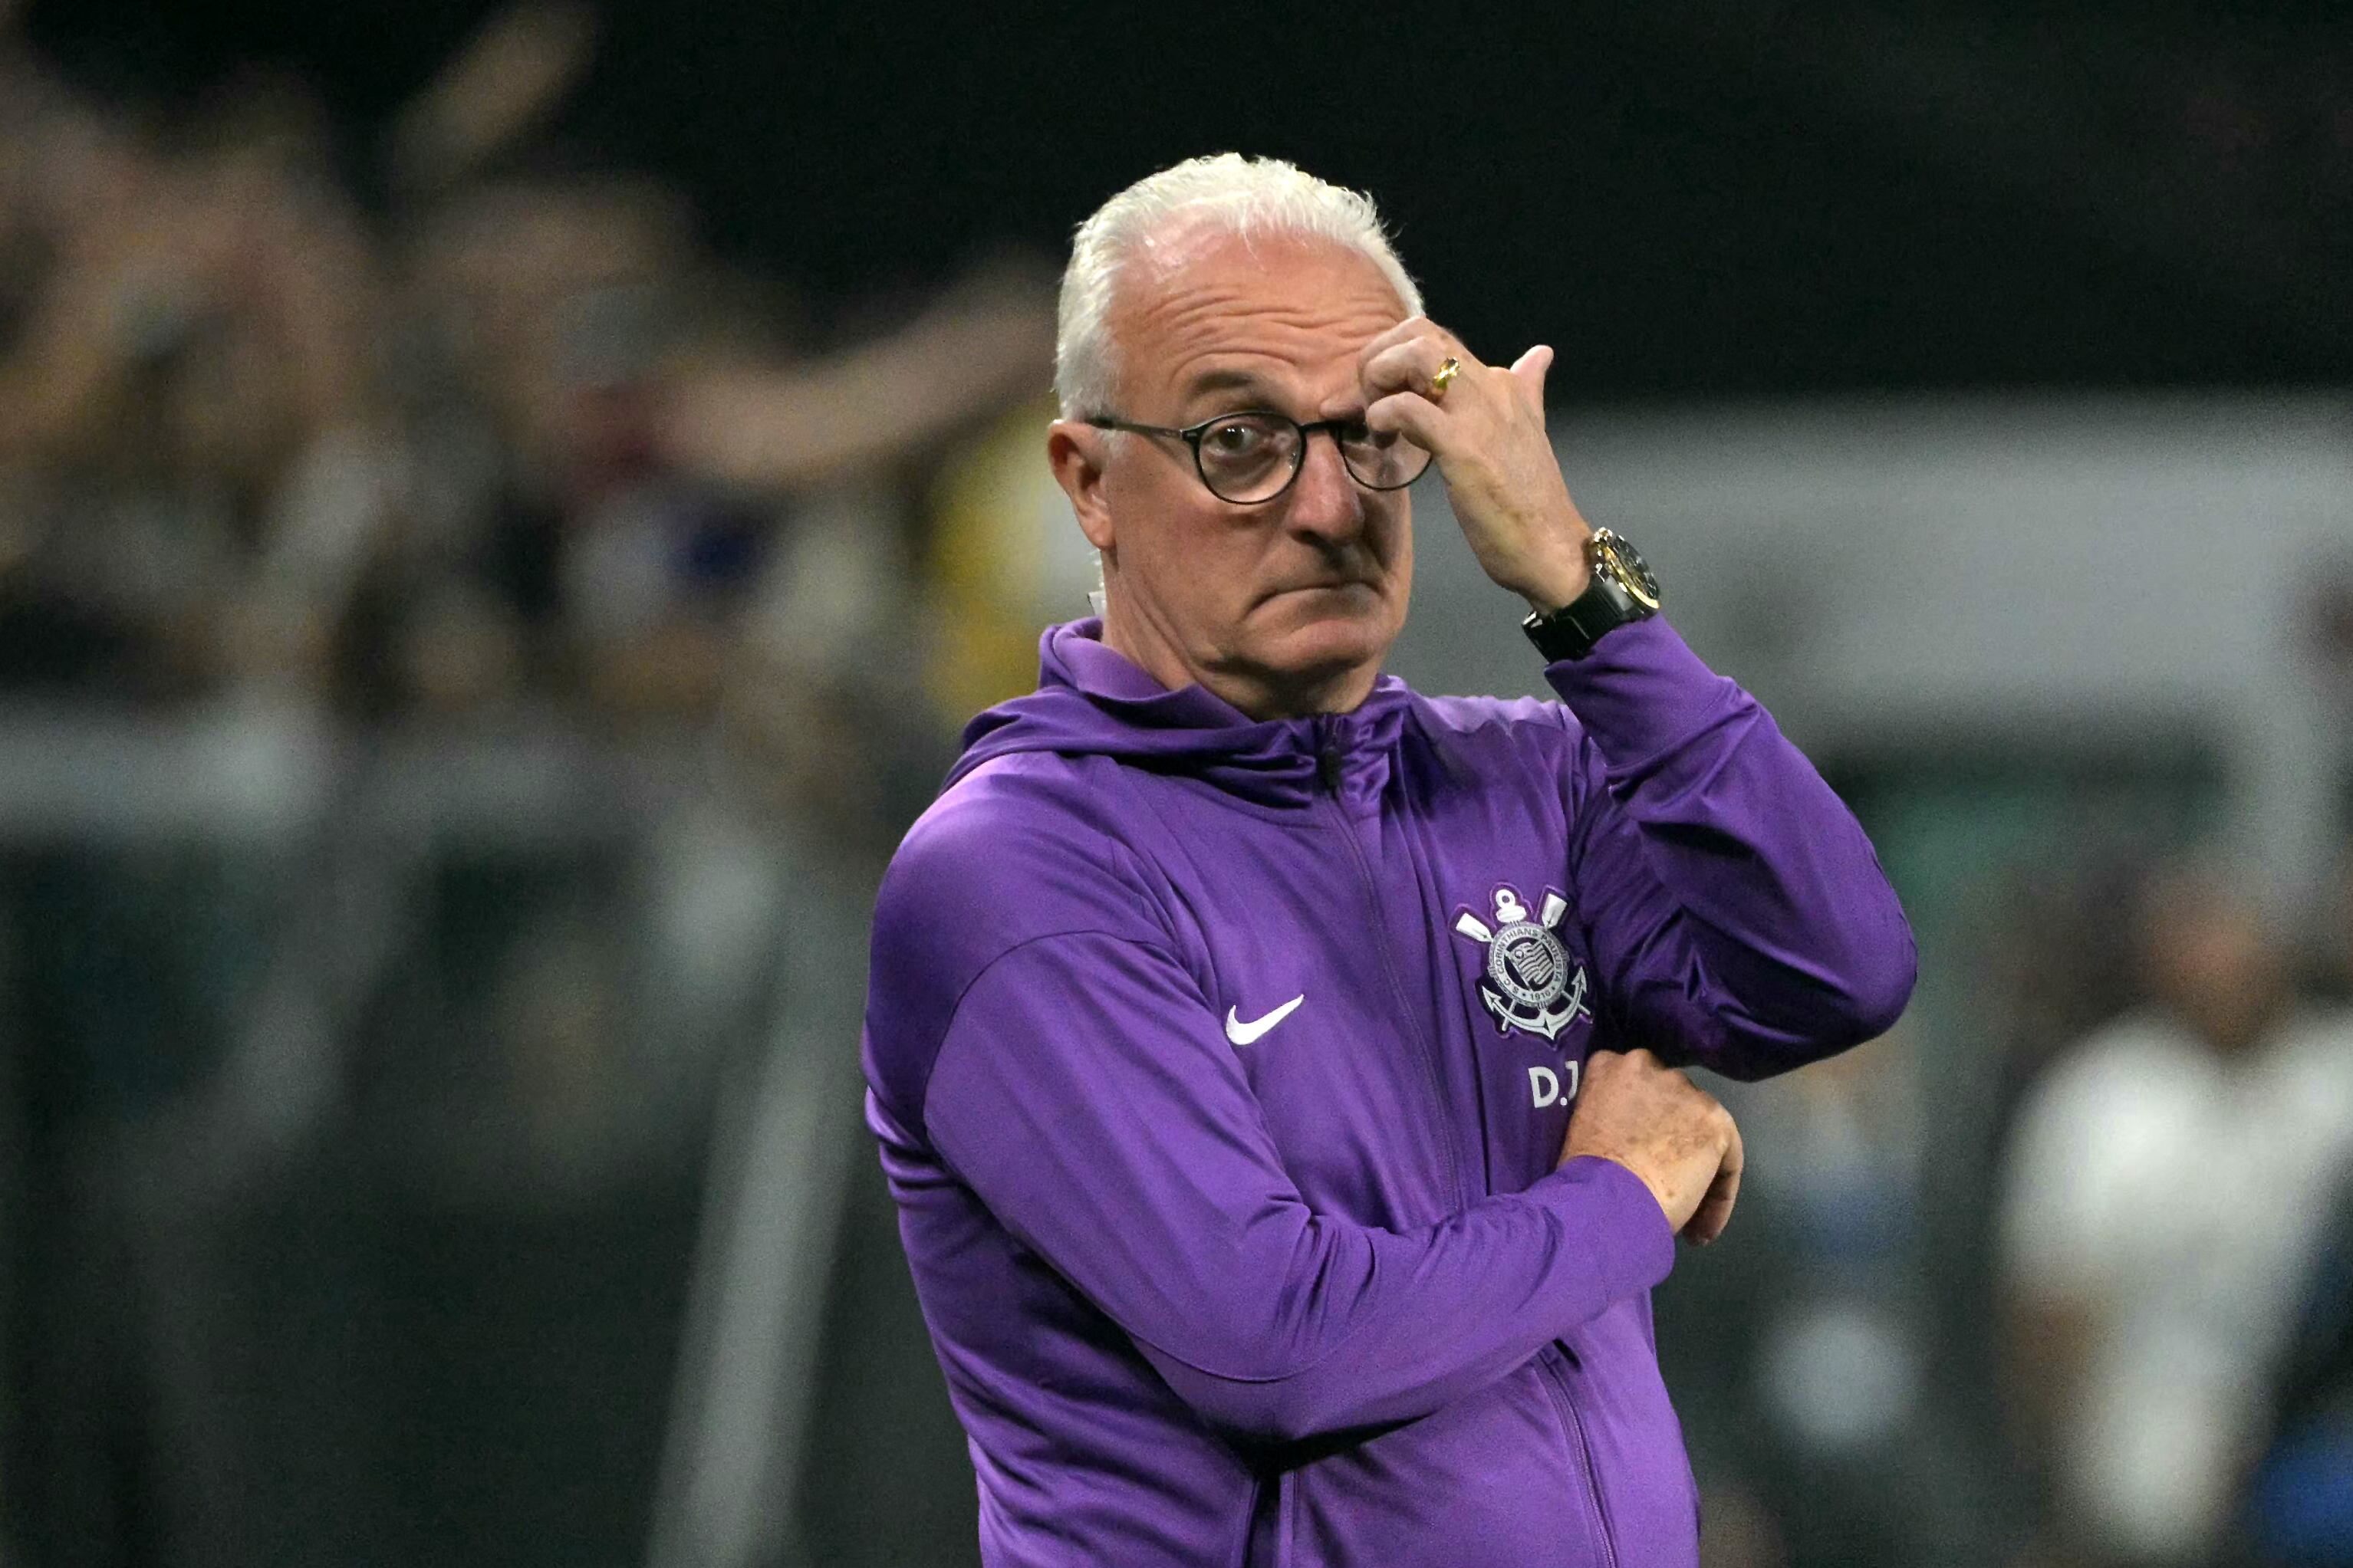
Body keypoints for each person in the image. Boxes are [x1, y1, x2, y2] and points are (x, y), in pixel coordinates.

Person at [860, 153, 1917, 1567]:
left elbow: (1833, 972)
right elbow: (1272, 1343)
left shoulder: (1522, 781)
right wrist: (1614, 1200)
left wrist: (1570, 582)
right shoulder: (1018, 870)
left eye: (1372, 435)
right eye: (1238, 441)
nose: (1328, 505)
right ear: (1087, 479)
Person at [1999, 862, 2353, 1566]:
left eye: (2236, 935)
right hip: (2147, 1466)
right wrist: (2051, 1499)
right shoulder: (2101, 1100)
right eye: (2196, 939)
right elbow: (2051, 1315)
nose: (2222, 963)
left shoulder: (2332, 1074)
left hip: (2309, 1449)